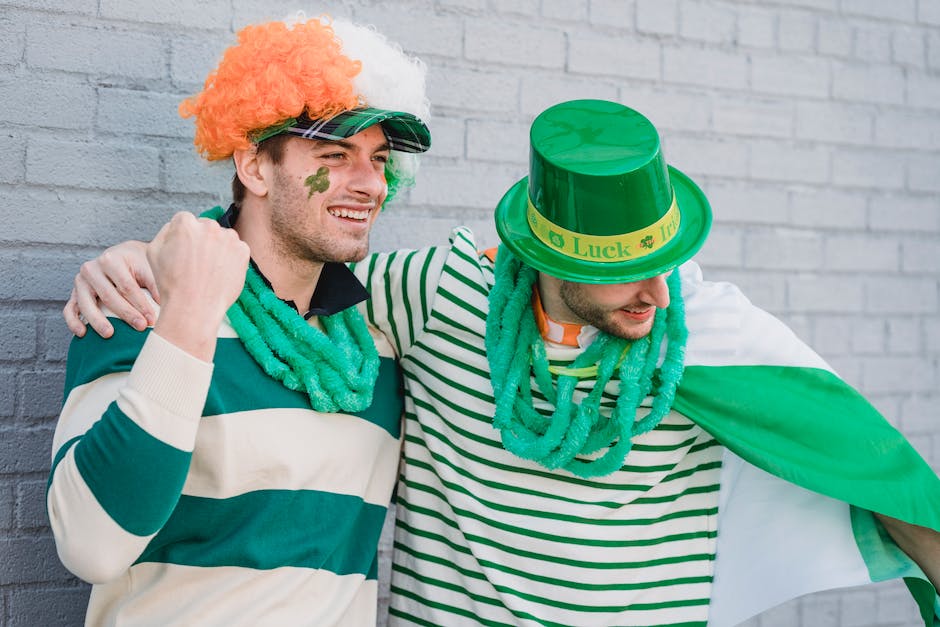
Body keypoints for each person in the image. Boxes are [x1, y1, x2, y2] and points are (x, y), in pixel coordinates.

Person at [64, 100, 940, 626]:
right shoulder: (431, 296)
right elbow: (277, 284)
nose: (655, 294)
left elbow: (887, 480)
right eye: (334, 159)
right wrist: (147, 274)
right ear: (541, 258)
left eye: (376, 162)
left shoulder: (705, 331)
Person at [48, 15, 431, 625]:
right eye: (334, 154)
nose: (370, 185)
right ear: (254, 167)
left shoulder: (378, 344)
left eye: (380, 159)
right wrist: (190, 317)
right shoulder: (138, 305)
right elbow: (91, 545)